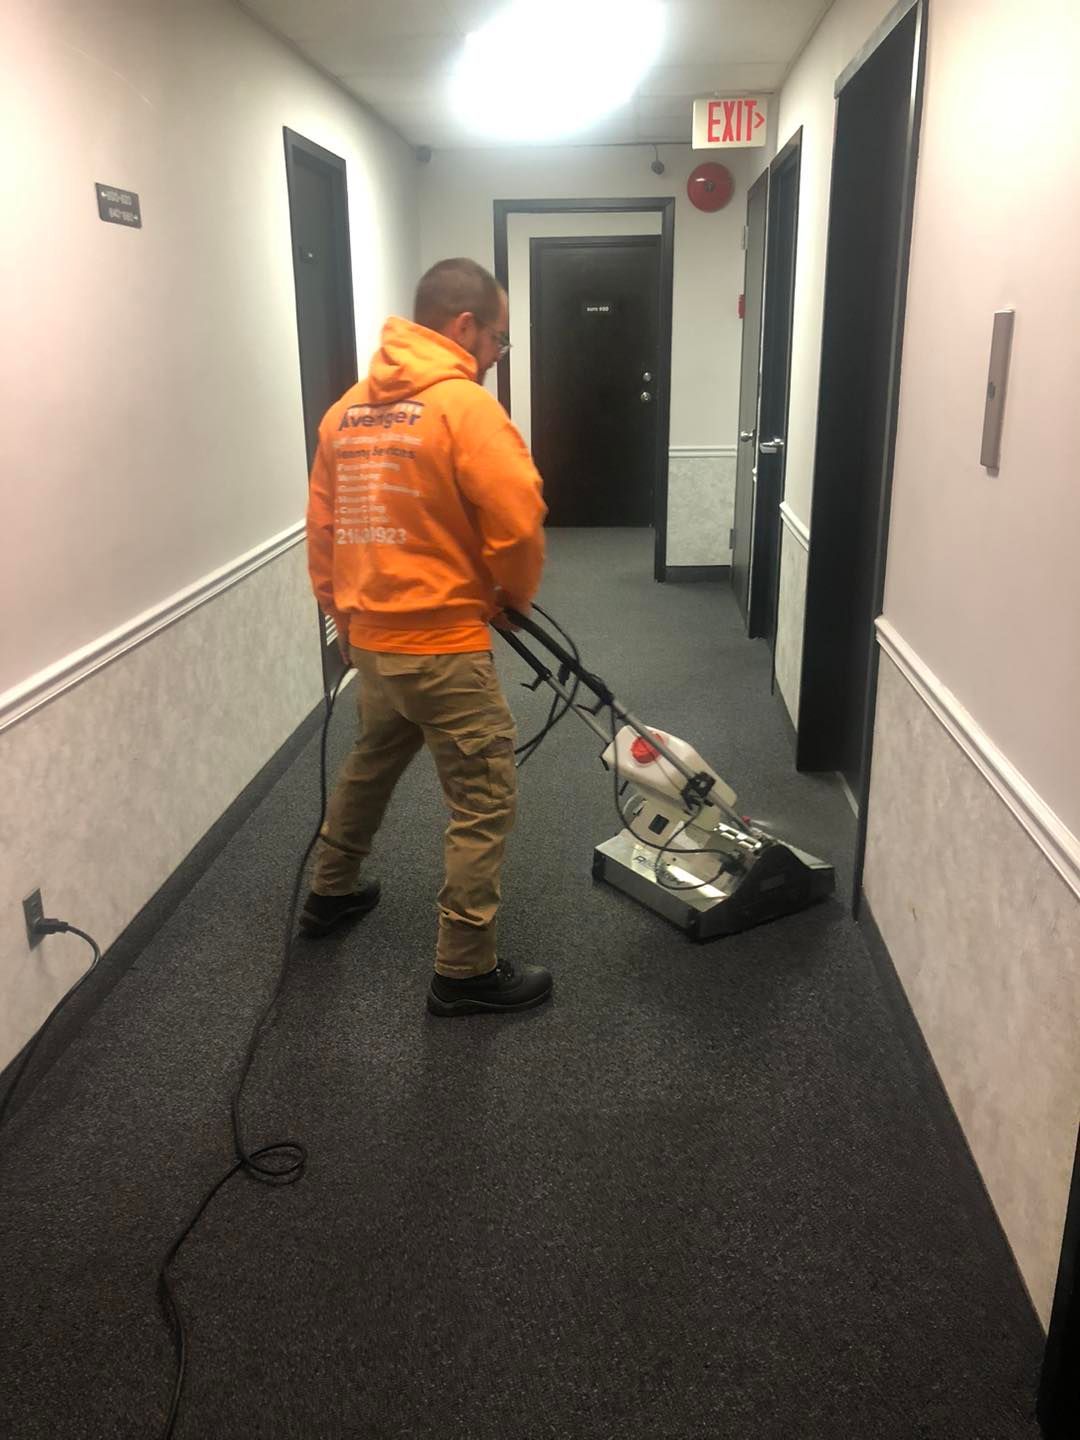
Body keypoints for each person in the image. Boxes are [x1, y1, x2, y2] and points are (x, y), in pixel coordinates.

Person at [302, 258, 552, 1018]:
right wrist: (512, 597)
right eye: (498, 340)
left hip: (372, 643)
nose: (495, 356)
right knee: (482, 797)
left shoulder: (344, 413)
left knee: (373, 761)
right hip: (443, 645)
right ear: (464, 326)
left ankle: (329, 892)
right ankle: (465, 969)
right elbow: (517, 517)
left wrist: (343, 620)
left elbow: (324, 532)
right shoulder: (463, 407)